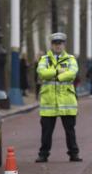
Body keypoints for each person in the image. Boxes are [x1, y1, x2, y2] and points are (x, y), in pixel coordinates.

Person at [35, 33, 82, 163]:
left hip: (67, 102)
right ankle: (43, 154)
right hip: (49, 102)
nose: (58, 46)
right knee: (46, 132)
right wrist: (57, 72)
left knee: (70, 131)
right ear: (52, 45)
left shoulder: (71, 59)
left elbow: (72, 74)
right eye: (55, 44)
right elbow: (41, 72)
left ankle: (74, 154)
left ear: (64, 45)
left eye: (60, 43)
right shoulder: (44, 59)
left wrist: (56, 76)